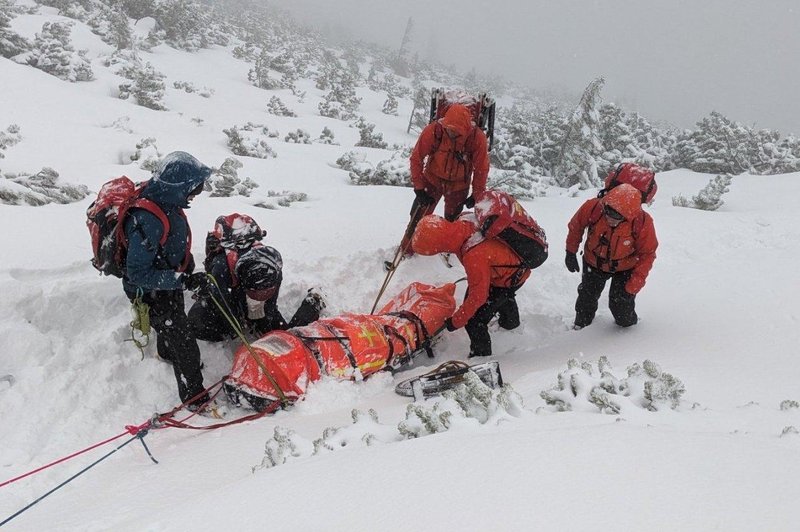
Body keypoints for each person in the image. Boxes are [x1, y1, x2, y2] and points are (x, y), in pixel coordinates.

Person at [122, 151, 211, 408]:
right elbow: (138, 272)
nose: (195, 194)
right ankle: (195, 398)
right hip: (150, 289)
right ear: (179, 187)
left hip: (166, 281)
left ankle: (167, 351)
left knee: (175, 319)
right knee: (184, 342)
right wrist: (182, 280)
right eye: (193, 189)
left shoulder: (165, 201)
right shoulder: (147, 219)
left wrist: (183, 270)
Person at [187, 214, 324, 342]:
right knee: (200, 324)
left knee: (283, 335)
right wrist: (242, 325)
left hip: (242, 289)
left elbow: (266, 307)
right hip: (235, 289)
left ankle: (313, 301)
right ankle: (312, 301)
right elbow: (227, 307)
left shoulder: (269, 266)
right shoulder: (226, 267)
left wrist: (256, 321)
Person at [411, 213, 532, 358]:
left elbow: (478, 297)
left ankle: (480, 357)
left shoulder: (474, 255)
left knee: (474, 320)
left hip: (509, 277)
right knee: (499, 297)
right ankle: (510, 323)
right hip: (507, 270)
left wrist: (457, 321)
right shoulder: (463, 220)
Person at [399, 103, 490, 255]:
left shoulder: (477, 138)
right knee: (418, 218)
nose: (451, 133)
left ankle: (446, 252)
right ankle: (407, 249)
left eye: (456, 132)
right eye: (449, 129)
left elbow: (482, 168)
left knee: (452, 223)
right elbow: (416, 158)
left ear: (466, 129)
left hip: (459, 186)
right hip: (432, 180)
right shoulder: (435, 130)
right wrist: (419, 188)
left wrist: (477, 194)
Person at [564, 182, 658, 329]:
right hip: (593, 262)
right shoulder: (593, 207)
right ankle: (580, 327)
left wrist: (633, 286)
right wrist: (570, 251)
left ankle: (631, 331)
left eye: (616, 216)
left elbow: (647, 254)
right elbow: (576, 226)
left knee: (621, 307)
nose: (610, 218)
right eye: (608, 212)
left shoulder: (642, 222)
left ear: (628, 216)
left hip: (625, 267)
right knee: (586, 299)